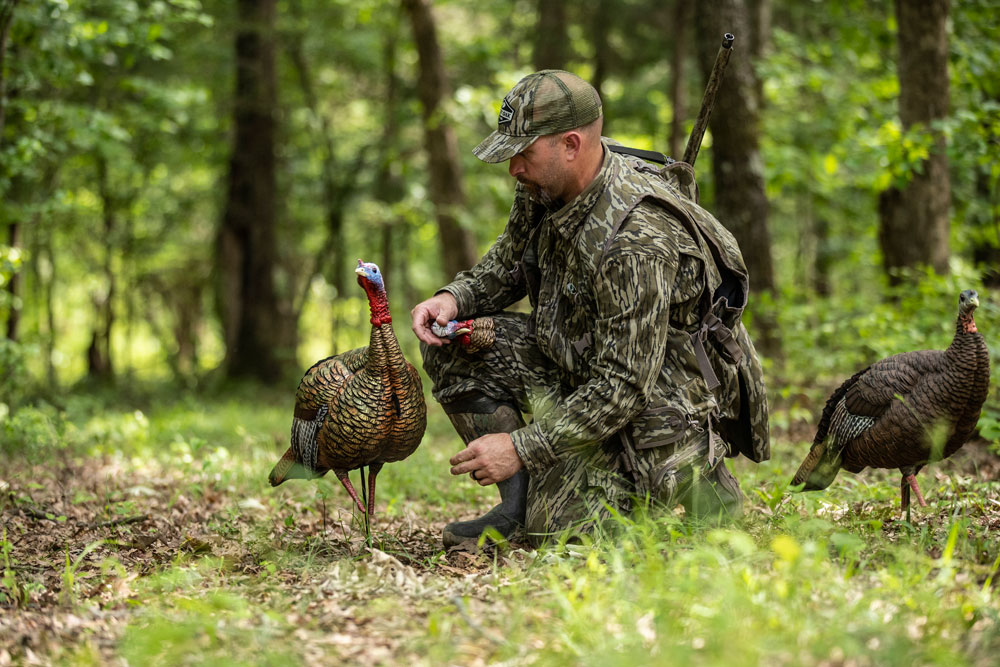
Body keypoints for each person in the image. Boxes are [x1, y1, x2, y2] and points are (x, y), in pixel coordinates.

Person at [411, 70, 766, 548]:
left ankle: (699, 490)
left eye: (523, 153)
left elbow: (623, 386)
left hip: (648, 413)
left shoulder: (635, 238)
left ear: (572, 144)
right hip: (578, 367)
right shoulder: (544, 184)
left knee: (561, 534)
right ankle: (517, 506)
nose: (513, 167)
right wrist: (454, 298)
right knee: (455, 341)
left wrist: (520, 448)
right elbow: (513, 258)